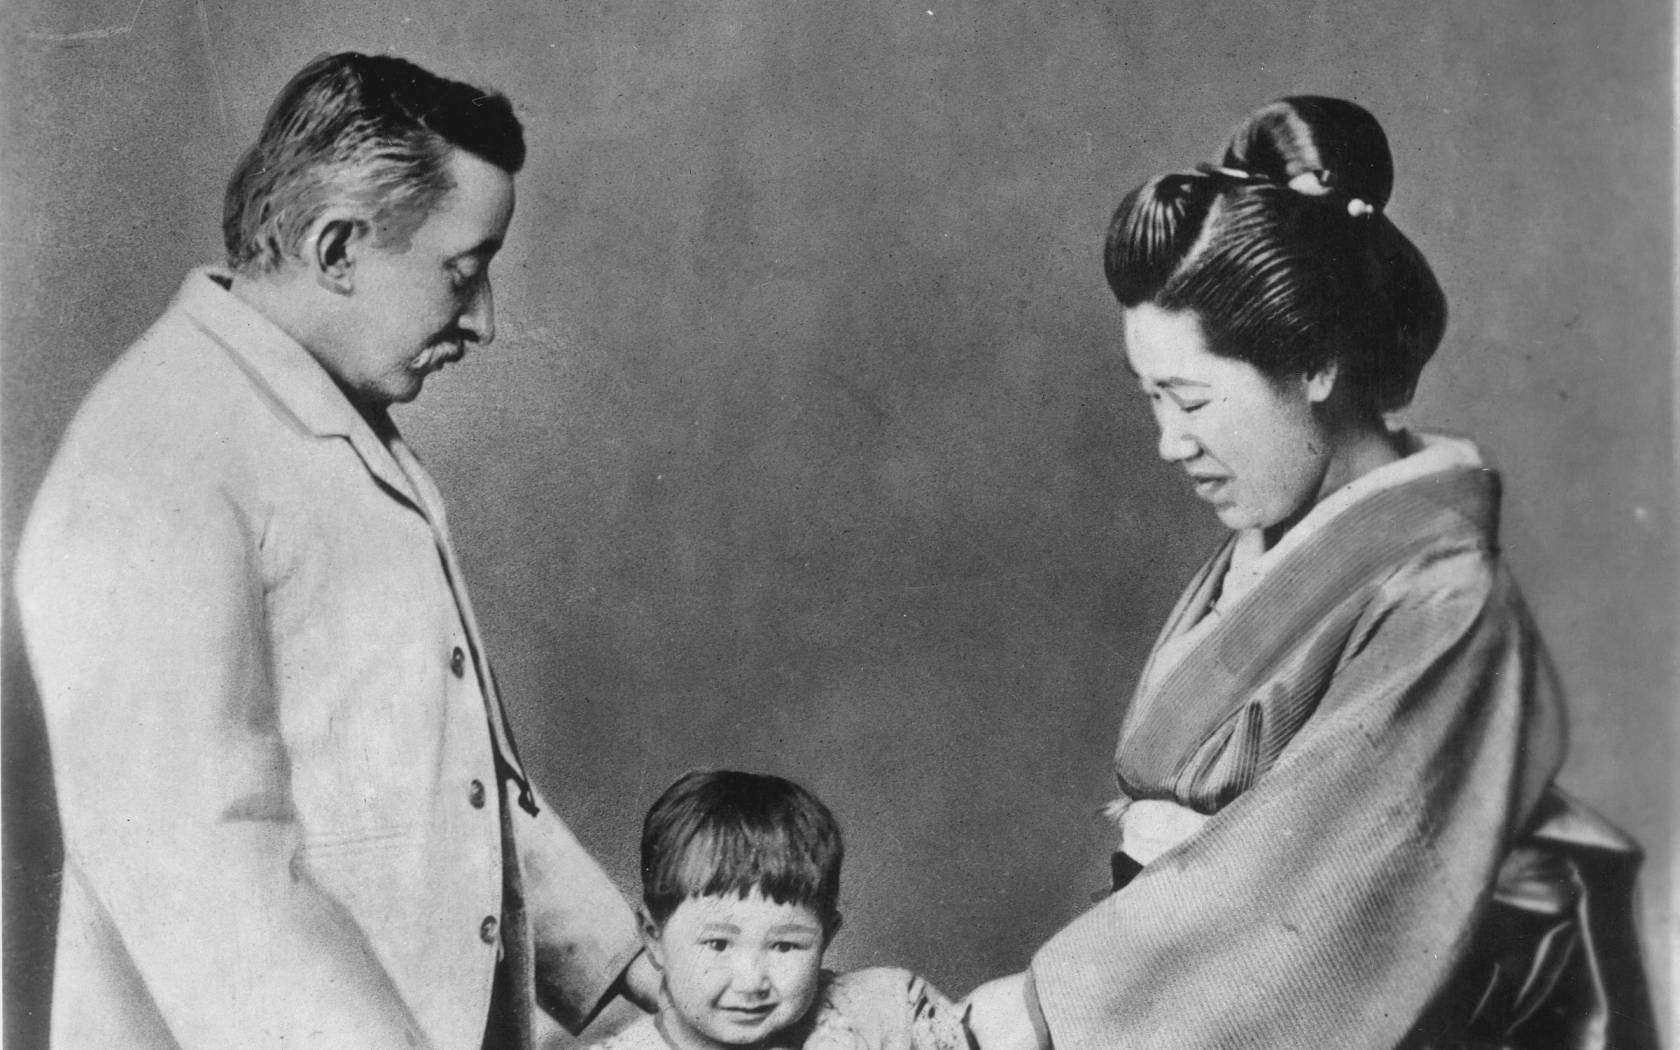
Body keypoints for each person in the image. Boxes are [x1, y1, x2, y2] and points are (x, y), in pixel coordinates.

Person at [962, 97, 1657, 1050]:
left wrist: (1032, 1015)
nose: (1171, 443)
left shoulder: (1445, 597)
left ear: (1319, 366)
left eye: (1194, 399)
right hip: (1163, 986)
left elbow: (1316, 908)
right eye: (1153, 400)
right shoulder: (1281, 537)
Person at [14, 52, 658, 1049]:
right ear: (339, 247)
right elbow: (205, 875)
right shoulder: (149, 462)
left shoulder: (333, 421)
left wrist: (641, 981)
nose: (484, 321)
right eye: (464, 272)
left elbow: (461, 772)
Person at [591, 770, 970, 1050]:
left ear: (827, 935)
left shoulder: (888, 1011)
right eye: (718, 944)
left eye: (785, 946)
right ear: (654, 937)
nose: (752, 981)